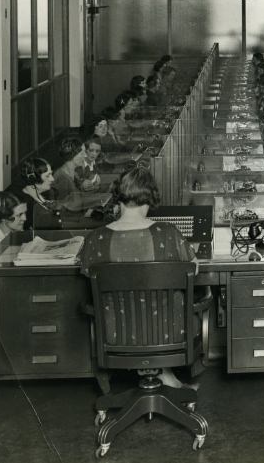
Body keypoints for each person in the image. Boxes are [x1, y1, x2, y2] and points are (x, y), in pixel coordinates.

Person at [79, 167, 198, 390]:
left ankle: (161, 375)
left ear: (118, 197)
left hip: (115, 334)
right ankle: (166, 373)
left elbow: (86, 274)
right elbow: (194, 269)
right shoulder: (169, 233)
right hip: (170, 333)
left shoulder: (96, 238)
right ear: (151, 197)